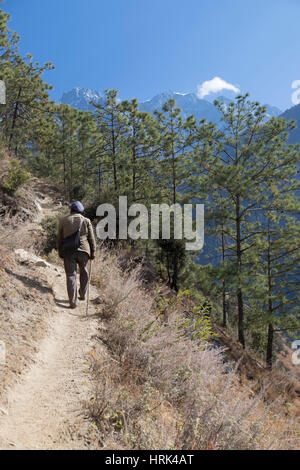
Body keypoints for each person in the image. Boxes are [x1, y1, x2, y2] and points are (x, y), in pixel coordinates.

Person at [57, 201, 96, 309]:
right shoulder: (86, 220)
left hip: (69, 251)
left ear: (71, 210)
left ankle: (73, 302)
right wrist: (93, 251)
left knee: (71, 275)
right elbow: (91, 238)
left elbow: (60, 239)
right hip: (84, 251)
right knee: (84, 271)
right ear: (81, 210)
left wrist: (60, 251)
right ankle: (83, 295)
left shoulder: (63, 220)